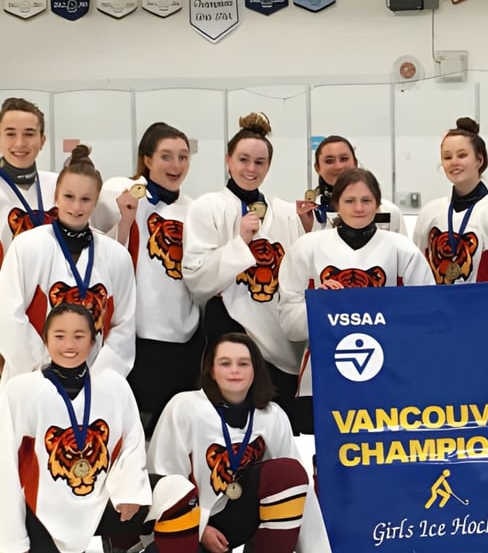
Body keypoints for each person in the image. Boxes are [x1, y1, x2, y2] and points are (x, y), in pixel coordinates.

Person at [147, 332, 333, 553]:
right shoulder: (184, 407)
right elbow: (163, 478)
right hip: (191, 521)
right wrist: (198, 528)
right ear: (211, 369)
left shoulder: (272, 415)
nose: (234, 370)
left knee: (288, 471)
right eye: (225, 363)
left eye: (243, 363)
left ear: (256, 369)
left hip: (237, 515)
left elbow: (298, 487)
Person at [0, 303, 150, 553]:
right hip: (43, 511)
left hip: (102, 500)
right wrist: (12, 536)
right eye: (60, 335)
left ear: (94, 341)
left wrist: (129, 491)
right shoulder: (19, 391)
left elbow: (132, 443)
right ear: (45, 339)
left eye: (79, 336)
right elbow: (5, 468)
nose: (70, 345)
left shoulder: (113, 386)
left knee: (175, 493)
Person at [279, 168, 434, 434]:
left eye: (366, 200)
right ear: (337, 203)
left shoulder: (401, 248)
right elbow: (289, 326)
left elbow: (429, 316)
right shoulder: (307, 247)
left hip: (390, 380)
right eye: (350, 201)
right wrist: (322, 307)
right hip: (322, 380)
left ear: (378, 203)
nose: (358, 208)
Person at [182, 112, 306, 422]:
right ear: (228, 160)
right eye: (243, 159)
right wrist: (239, 243)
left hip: (278, 338)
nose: (251, 169)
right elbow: (197, 279)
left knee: (278, 425)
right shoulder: (207, 207)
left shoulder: (285, 213)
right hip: (229, 330)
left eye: (259, 162)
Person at [91, 123, 202, 435]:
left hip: (184, 335)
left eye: (183, 157)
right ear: (147, 159)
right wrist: (124, 219)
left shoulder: (191, 209)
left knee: (173, 428)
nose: (176, 165)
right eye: (166, 156)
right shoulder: (117, 191)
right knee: (137, 425)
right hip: (138, 335)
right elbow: (99, 248)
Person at [0, 146, 137, 387]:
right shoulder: (27, 246)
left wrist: (97, 377)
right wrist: (46, 367)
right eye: (69, 197)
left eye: (85, 199)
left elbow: (124, 325)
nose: (76, 207)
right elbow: (8, 315)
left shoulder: (117, 256)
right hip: (33, 380)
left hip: (92, 383)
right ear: (56, 197)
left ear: (96, 201)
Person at [413, 117, 488, 284]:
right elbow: (419, 273)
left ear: (479, 160)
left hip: (486, 308)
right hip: (438, 308)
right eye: (447, 157)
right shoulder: (429, 212)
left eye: (462, 155)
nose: (454, 162)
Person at [297, 134, 406, 234]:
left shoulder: (389, 211)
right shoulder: (305, 215)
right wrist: (308, 229)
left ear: (355, 162)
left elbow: (403, 252)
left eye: (344, 159)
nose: (338, 166)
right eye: (329, 161)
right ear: (317, 168)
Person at [0, 97, 57, 270]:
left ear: (42, 140)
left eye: (29, 134)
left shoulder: (60, 186)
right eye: (10, 134)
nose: (20, 143)